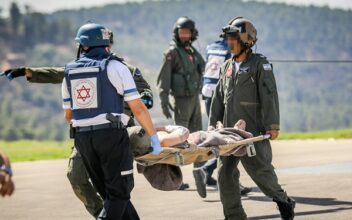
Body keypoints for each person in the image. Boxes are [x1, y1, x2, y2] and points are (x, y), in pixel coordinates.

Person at [3, 30, 153, 218]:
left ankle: (107, 214)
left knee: (117, 191)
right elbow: (59, 74)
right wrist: (27, 72)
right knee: (78, 177)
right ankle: (103, 212)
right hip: (87, 134)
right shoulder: (78, 69)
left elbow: (144, 94)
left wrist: (144, 98)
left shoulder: (122, 68)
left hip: (117, 132)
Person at [62, 23, 161, 220]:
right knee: (120, 192)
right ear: (106, 43)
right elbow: (138, 108)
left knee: (109, 193)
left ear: (83, 45)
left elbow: (69, 115)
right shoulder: (116, 66)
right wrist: (153, 136)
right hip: (110, 137)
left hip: (82, 140)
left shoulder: (69, 71)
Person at [209, 17, 295, 220]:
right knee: (224, 175)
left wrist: (272, 125)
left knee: (261, 173)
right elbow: (218, 98)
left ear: (246, 40)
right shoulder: (226, 67)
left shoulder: (260, 65)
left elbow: (269, 95)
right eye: (228, 38)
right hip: (229, 134)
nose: (229, 42)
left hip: (253, 132)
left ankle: (283, 200)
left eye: (233, 38)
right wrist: (213, 124)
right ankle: (234, 216)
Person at [193, 35, 251, 198]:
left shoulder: (211, 46)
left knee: (215, 134)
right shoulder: (231, 50)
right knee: (231, 137)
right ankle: (208, 170)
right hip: (221, 93)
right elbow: (231, 72)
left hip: (206, 91)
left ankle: (209, 173)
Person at [157, 16, 205, 190]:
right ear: (176, 33)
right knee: (178, 141)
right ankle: (176, 180)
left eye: (187, 32)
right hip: (181, 101)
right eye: (181, 32)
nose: (184, 35)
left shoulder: (191, 52)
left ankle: (202, 172)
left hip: (194, 100)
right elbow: (164, 79)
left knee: (199, 136)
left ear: (192, 34)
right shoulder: (172, 53)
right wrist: (164, 102)